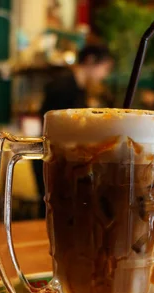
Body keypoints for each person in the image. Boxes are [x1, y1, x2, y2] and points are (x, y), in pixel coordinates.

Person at [33, 44, 114, 217]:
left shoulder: (81, 89)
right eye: (104, 68)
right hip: (55, 157)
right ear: (90, 61)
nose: (104, 75)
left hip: (68, 159)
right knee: (54, 208)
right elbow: (51, 126)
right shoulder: (63, 84)